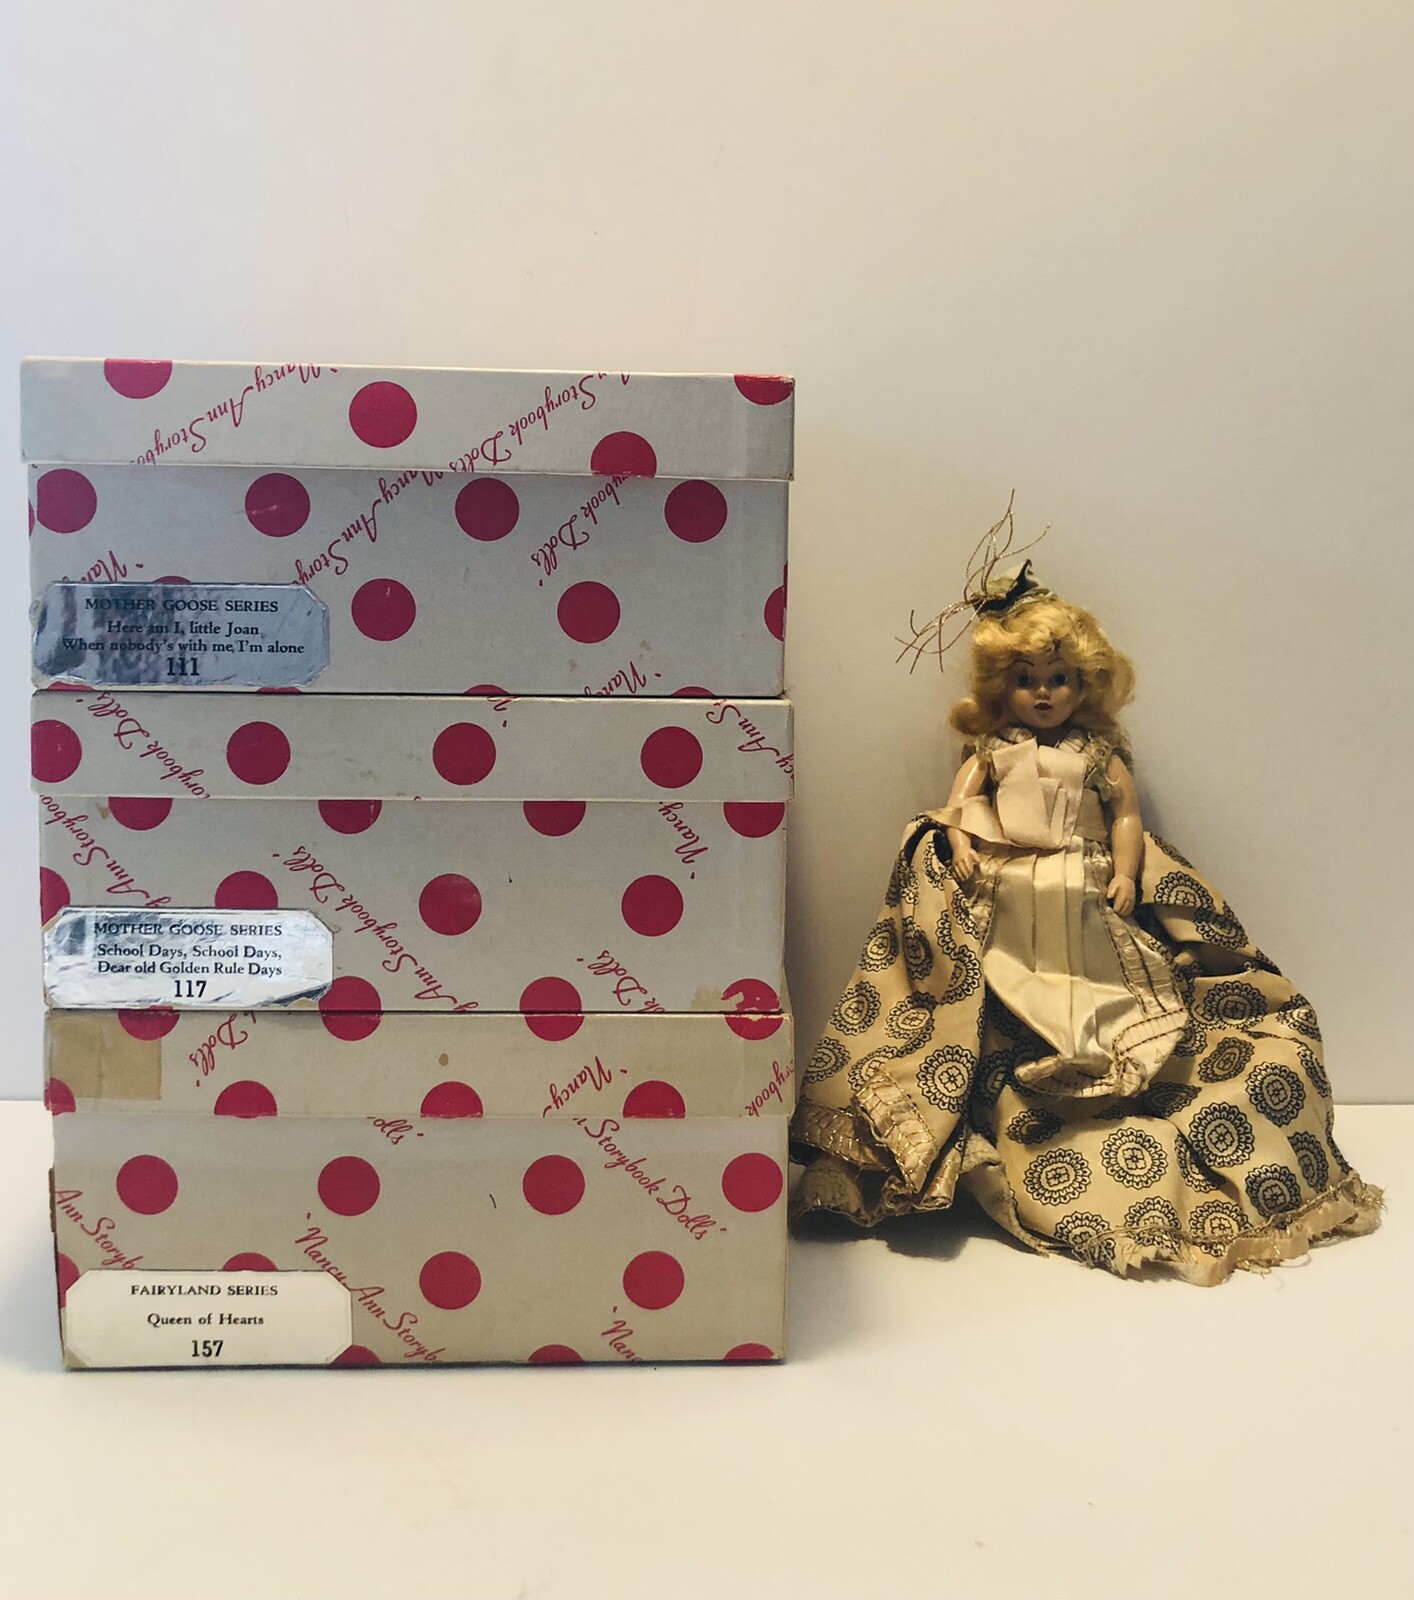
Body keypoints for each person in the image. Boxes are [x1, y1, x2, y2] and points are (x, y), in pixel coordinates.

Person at [790, 557, 1381, 1283]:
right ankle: (1029, 1053)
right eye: (1027, 679)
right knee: (1010, 977)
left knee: (1103, 977)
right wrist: (962, 845)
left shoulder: (1096, 754)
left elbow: (1125, 815)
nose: (1043, 693)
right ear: (1001, 686)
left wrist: (1127, 872)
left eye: (1059, 679)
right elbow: (959, 805)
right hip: (1008, 887)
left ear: (1085, 684)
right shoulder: (993, 750)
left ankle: (1100, 1055)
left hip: (1079, 887)